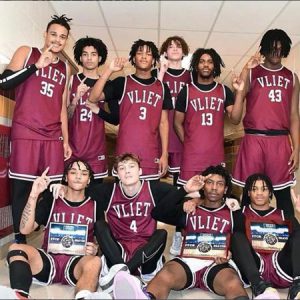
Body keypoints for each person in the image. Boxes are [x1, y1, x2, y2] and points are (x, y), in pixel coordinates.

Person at [112, 165, 256, 300]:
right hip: (187, 262)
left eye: (219, 184)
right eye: (210, 182)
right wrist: (184, 190)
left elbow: (240, 243)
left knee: (233, 282)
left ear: (225, 189)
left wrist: (229, 253)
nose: (213, 188)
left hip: (217, 264)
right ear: (203, 186)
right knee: (165, 274)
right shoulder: (189, 208)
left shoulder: (233, 214)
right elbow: (157, 213)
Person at [0, 15, 73, 244]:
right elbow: (3, 82)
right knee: (22, 188)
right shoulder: (27, 52)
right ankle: (20, 241)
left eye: (62, 37)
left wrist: (66, 140)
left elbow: (61, 106)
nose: (57, 40)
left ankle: (48, 237)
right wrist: (35, 67)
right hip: (26, 131)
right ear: (45, 34)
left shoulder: (65, 68)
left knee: (54, 189)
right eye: (54, 34)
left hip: (53, 136)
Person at [171, 47, 244, 255]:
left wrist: (239, 92)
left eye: (209, 61)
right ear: (196, 65)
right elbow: (177, 122)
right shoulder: (187, 90)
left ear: (215, 65)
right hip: (191, 157)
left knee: (215, 196)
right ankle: (179, 235)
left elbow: (236, 118)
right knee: (187, 198)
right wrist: (190, 142)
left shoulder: (223, 91)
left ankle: (214, 238)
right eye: (201, 61)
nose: (205, 64)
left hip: (215, 157)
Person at [6, 160, 107, 300]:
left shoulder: (96, 205)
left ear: (88, 180)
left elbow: (103, 240)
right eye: (73, 172)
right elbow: (24, 230)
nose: (78, 176)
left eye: (83, 174)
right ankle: (21, 296)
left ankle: (84, 297)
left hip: (77, 263)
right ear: (65, 177)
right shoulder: (51, 199)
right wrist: (34, 194)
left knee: (95, 262)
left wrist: (96, 248)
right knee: (15, 248)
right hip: (48, 260)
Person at [232, 29, 300, 217]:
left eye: (280, 49)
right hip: (254, 138)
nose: (276, 53)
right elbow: (235, 118)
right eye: (272, 49)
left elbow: (294, 115)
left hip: (279, 141)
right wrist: (244, 75)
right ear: (264, 49)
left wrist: (297, 147)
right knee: (249, 193)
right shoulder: (252, 73)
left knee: (283, 195)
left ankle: (290, 240)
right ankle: (243, 239)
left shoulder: (292, 77)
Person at [88, 39, 173, 180]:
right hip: (124, 152)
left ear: (154, 60)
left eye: (148, 54)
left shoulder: (163, 88)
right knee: (122, 199)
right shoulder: (122, 82)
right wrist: (109, 70)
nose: (144, 56)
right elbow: (93, 98)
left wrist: (165, 153)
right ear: (133, 58)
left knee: (148, 200)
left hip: (150, 153)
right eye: (139, 53)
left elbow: (163, 123)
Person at [151, 36, 192, 257]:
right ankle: (147, 231)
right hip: (163, 133)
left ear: (184, 51)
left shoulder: (191, 75)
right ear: (165, 52)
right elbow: (153, 95)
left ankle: (180, 231)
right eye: (170, 46)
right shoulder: (159, 72)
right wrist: (161, 72)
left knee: (182, 188)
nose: (174, 49)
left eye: (178, 46)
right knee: (154, 185)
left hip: (183, 134)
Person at [231, 173, 300, 300]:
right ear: (248, 193)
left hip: (281, 265)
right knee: (236, 236)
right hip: (255, 267)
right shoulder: (239, 214)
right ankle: (260, 287)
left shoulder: (284, 215)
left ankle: (297, 286)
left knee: (298, 233)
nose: (259, 193)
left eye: (264, 189)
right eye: (254, 189)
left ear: (270, 192)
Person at [67, 36, 118, 184]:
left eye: (93, 54)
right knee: (70, 194)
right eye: (85, 54)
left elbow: (115, 119)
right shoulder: (71, 80)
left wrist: (98, 110)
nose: (89, 58)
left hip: (96, 149)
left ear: (100, 57)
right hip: (72, 147)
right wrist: (75, 99)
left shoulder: (107, 84)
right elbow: (65, 116)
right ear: (80, 58)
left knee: (94, 196)